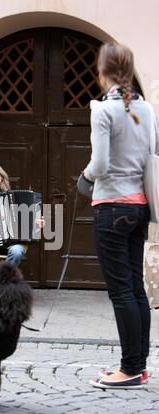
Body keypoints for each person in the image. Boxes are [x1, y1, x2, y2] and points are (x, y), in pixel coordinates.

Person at [83, 42, 159, 389]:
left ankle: (129, 369)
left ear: (102, 73)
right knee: (136, 288)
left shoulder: (102, 110)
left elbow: (99, 165)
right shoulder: (147, 109)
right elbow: (151, 157)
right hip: (140, 205)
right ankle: (139, 366)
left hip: (111, 206)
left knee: (121, 291)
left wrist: (83, 179)